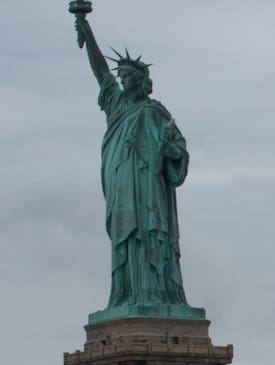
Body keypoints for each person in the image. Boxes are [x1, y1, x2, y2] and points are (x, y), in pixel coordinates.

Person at [73, 9, 192, 312]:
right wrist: (85, 29)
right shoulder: (116, 105)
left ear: (142, 81)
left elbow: (178, 150)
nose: (123, 80)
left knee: (151, 235)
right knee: (125, 239)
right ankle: (127, 296)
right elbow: (101, 72)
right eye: (122, 76)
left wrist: (170, 152)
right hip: (121, 183)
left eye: (128, 76)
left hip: (149, 187)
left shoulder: (155, 113)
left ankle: (157, 296)